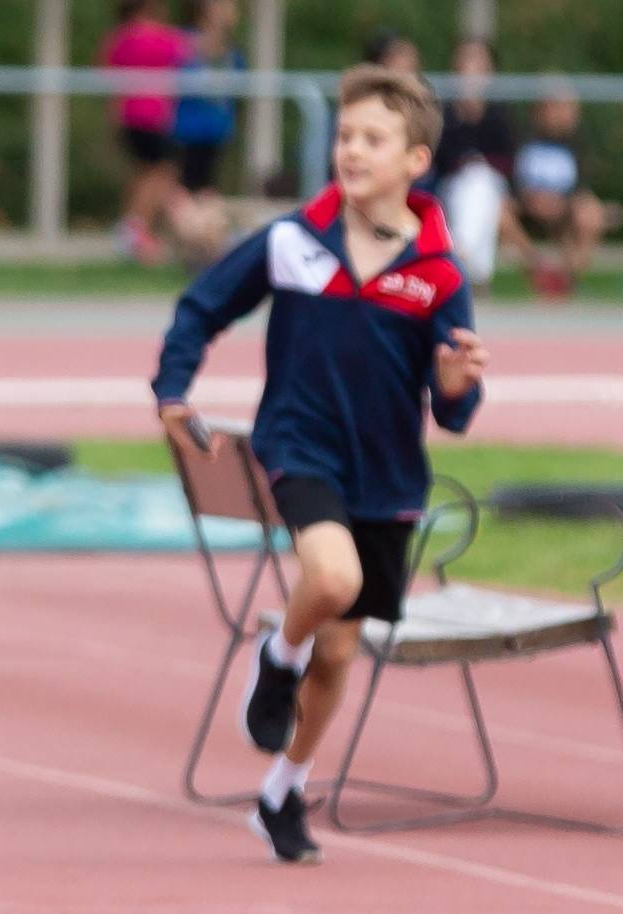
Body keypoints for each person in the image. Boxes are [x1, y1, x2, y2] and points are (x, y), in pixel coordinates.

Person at [152, 65, 488, 863]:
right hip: (299, 447)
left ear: (415, 159)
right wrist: (171, 388)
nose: (351, 150)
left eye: (372, 139)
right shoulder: (290, 241)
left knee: (339, 652)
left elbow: (455, 411)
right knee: (328, 582)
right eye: (344, 136)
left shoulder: (438, 273)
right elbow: (201, 308)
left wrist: (455, 389)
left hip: (387, 478)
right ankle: (275, 656)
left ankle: (282, 792)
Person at [102, 0, 190, 265]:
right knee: (162, 170)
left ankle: (134, 227)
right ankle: (134, 227)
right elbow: (186, 52)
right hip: (150, 116)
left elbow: (108, 70)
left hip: (129, 115)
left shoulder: (119, 37)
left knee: (145, 171)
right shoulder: (157, 37)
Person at [503, 87, 608, 297]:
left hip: (564, 206)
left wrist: (562, 202)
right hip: (527, 206)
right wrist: (530, 198)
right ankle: (538, 269)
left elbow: (581, 186)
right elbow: (512, 179)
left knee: (592, 213)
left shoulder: (577, 142)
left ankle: (566, 279)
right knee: (499, 211)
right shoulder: (523, 138)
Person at [433, 38, 516, 287]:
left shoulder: (499, 112)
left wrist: (480, 164)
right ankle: (477, 273)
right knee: (476, 189)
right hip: (452, 187)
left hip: (492, 184)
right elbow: (439, 157)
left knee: (480, 183)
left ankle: (460, 253)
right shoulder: (445, 112)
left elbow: (509, 159)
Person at [168, 0, 245, 265]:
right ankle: (197, 248)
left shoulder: (231, 52)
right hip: (187, 130)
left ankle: (207, 251)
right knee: (184, 193)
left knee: (206, 193)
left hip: (215, 131)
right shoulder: (184, 43)